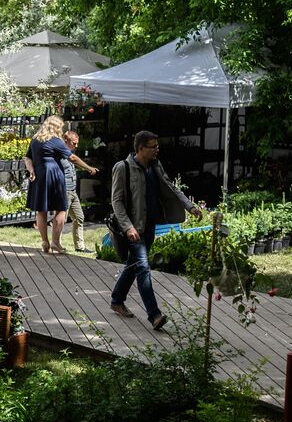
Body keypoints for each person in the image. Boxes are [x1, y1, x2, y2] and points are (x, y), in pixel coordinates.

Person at [109, 130, 196, 331]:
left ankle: (117, 299)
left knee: (134, 265)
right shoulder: (123, 168)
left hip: (149, 226)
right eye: (153, 146)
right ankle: (154, 315)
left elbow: (171, 187)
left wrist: (189, 206)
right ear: (140, 148)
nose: (157, 149)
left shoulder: (155, 166)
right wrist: (128, 226)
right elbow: (117, 201)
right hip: (133, 228)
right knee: (143, 268)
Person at [24, 115, 73, 254]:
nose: (61, 130)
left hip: (39, 177)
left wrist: (32, 170)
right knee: (61, 208)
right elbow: (71, 157)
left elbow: (27, 157)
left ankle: (45, 242)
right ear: (56, 127)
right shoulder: (56, 141)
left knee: (41, 210)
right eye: (61, 127)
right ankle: (56, 243)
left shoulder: (35, 140)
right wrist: (88, 167)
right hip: (54, 176)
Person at [61, 129, 99, 252]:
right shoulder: (61, 151)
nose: (76, 146)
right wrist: (89, 168)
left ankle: (80, 247)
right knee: (61, 220)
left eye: (77, 143)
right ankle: (57, 244)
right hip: (64, 191)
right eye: (74, 143)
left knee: (79, 217)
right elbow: (74, 159)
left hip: (72, 191)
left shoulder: (69, 151)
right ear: (66, 141)